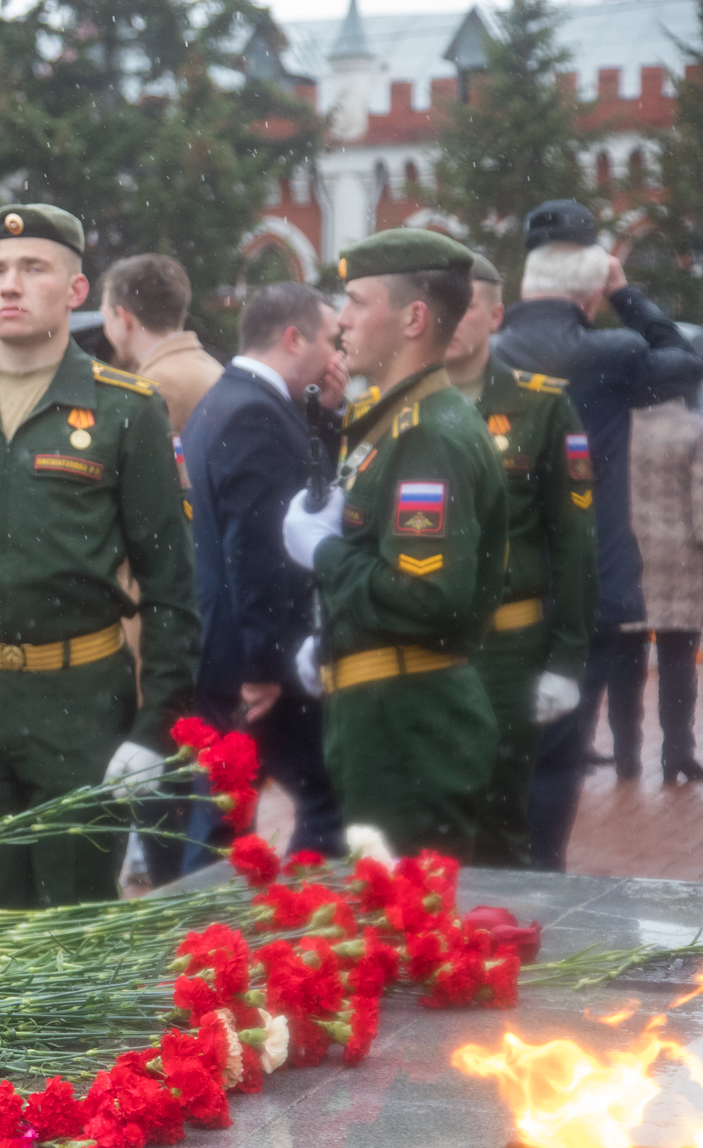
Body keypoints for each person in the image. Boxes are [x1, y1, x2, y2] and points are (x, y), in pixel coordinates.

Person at [0, 204, 199, 913]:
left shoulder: (126, 411)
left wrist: (155, 727)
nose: (9, 284)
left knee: (74, 920)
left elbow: (171, 586)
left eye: (32, 268)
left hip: (80, 704)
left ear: (77, 290)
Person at [280, 228, 509, 858]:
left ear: (413, 319)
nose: (342, 319)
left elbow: (423, 595)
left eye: (357, 302)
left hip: (409, 726)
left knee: (405, 909)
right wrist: (334, 637)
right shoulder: (395, 423)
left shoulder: (426, 434)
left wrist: (322, 553)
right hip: (390, 714)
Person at [490, 199, 703, 868]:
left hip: (499, 586)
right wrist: (624, 293)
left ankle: (494, 876)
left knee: (501, 752)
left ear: (525, 281)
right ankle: (538, 877)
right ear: (591, 289)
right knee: (558, 762)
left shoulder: (490, 355)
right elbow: (684, 359)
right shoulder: (612, 354)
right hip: (589, 584)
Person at [181, 282, 348, 868]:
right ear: (293, 338)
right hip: (254, 661)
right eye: (331, 340)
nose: (338, 356)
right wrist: (264, 668)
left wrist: (327, 418)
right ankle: (296, 911)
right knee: (323, 803)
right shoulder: (254, 413)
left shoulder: (232, 399)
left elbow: (302, 496)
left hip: (231, 648)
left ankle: (226, 917)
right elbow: (258, 550)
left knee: (225, 816)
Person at [442, 253, 596, 865]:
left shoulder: (543, 406)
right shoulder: (394, 406)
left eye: (468, 307)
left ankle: (497, 927)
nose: (453, 319)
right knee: (422, 819)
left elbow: (574, 538)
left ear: (495, 316)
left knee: (500, 820)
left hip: (505, 650)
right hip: (417, 646)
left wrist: (567, 658)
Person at [608, 395, 703, 786]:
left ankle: (625, 756)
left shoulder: (617, 426)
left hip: (624, 560)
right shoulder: (694, 429)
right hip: (680, 563)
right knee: (678, 659)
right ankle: (677, 753)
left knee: (624, 661)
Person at [99, 253, 223, 436]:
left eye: (106, 316)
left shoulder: (156, 387)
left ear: (125, 319)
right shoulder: (212, 367)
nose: (105, 326)